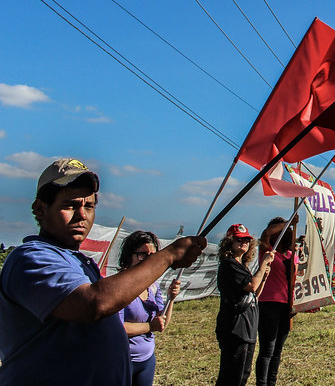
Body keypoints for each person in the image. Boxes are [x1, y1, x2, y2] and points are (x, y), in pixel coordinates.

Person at [0, 159, 205, 385]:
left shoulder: (78, 262)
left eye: (89, 206)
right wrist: (168, 256)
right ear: (40, 209)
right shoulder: (31, 257)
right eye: (70, 205)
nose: (82, 215)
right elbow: (94, 303)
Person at [118, 230, 182, 386]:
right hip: (122, 361)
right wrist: (149, 326)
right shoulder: (118, 286)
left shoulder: (152, 287)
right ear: (129, 256)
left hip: (146, 360)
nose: (147, 260)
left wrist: (171, 299)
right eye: (142, 254)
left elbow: (162, 325)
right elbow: (118, 327)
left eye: (152, 256)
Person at [216, 223, 275, 386]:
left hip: (247, 328)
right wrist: (263, 264)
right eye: (239, 240)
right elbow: (251, 286)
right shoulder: (229, 265)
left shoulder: (243, 266)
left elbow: (255, 294)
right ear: (229, 242)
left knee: (243, 374)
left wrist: (263, 276)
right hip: (235, 329)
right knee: (231, 377)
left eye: (247, 240)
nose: (244, 243)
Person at [255, 218, 295, 386]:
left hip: (286, 305)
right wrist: (289, 221)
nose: (278, 232)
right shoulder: (266, 251)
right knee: (267, 349)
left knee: (277, 351)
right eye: (276, 229)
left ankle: (271, 382)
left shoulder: (290, 255)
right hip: (269, 302)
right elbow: (265, 234)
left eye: (282, 231)